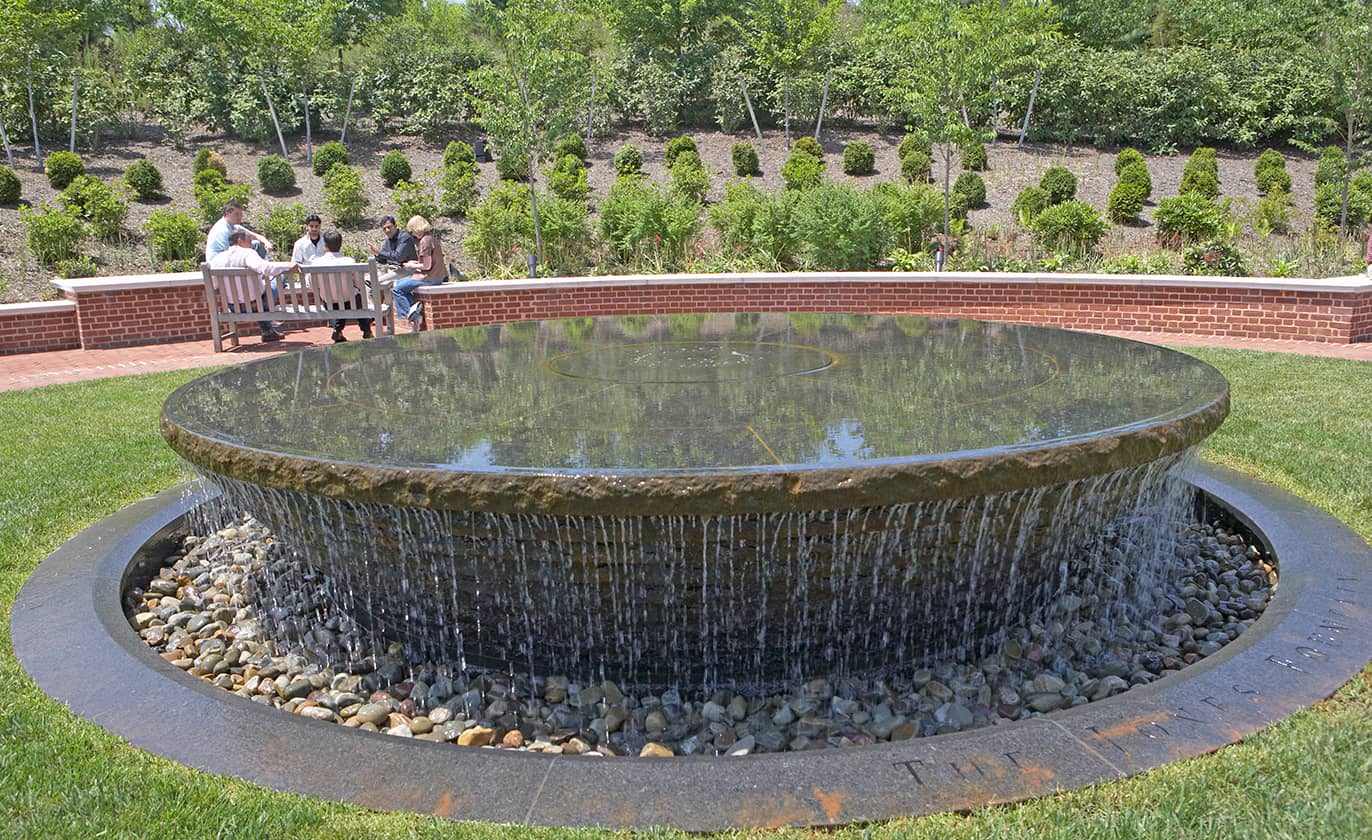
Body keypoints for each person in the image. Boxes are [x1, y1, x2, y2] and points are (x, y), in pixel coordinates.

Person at [209, 229, 299, 342]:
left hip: (232, 307)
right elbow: (265, 268)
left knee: (258, 292)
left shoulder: (217, 259)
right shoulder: (247, 253)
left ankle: (268, 330)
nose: (251, 245)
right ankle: (269, 323)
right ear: (240, 241)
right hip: (257, 305)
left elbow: (214, 285)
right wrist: (288, 266)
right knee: (280, 277)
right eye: (249, 242)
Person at [311, 229, 374, 343]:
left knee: (337, 300)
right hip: (350, 302)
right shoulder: (349, 261)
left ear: (325, 246)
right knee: (355, 297)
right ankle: (366, 329)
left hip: (329, 303)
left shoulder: (316, 263)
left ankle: (337, 329)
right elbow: (359, 284)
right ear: (340, 245)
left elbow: (312, 285)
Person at [394, 215, 447, 330]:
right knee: (400, 283)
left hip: (430, 278)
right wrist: (416, 262)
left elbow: (426, 266)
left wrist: (411, 265)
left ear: (417, 228)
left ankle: (413, 317)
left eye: (413, 230)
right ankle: (414, 311)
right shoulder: (431, 238)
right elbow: (428, 261)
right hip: (437, 275)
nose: (413, 234)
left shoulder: (424, 242)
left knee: (397, 289)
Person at [205, 199, 272, 264]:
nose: (240, 217)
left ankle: (264, 269)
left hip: (227, 264)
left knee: (256, 244)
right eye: (236, 214)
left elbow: (255, 236)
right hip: (219, 268)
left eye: (241, 214)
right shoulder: (222, 230)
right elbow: (227, 254)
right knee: (251, 248)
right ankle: (264, 271)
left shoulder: (235, 227)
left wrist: (266, 242)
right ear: (227, 213)